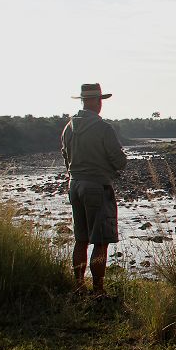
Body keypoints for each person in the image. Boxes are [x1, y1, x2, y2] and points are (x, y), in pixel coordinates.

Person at [61, 83, 128, 295]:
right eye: (99, 100)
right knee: (100, 241)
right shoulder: (104, 128)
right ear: (95, 101)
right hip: (98, 187)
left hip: (75, 185)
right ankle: (98, 291)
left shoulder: (69, 127)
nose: (100, 104)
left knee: (81, 239)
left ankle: (79, 285)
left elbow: (66, 157)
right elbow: (119, 161)